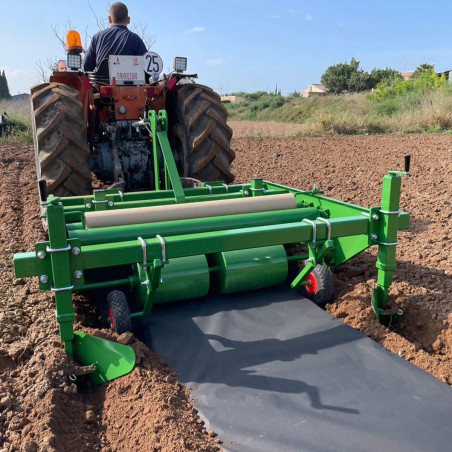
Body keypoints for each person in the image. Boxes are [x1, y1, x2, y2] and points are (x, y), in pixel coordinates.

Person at [82, 2, 147, 72]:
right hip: (129, 83)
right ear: (128, 20)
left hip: (100, 82)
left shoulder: (97, 38)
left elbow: (86, 67)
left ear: (109, 19)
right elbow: (147, 69)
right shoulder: (136, 39)